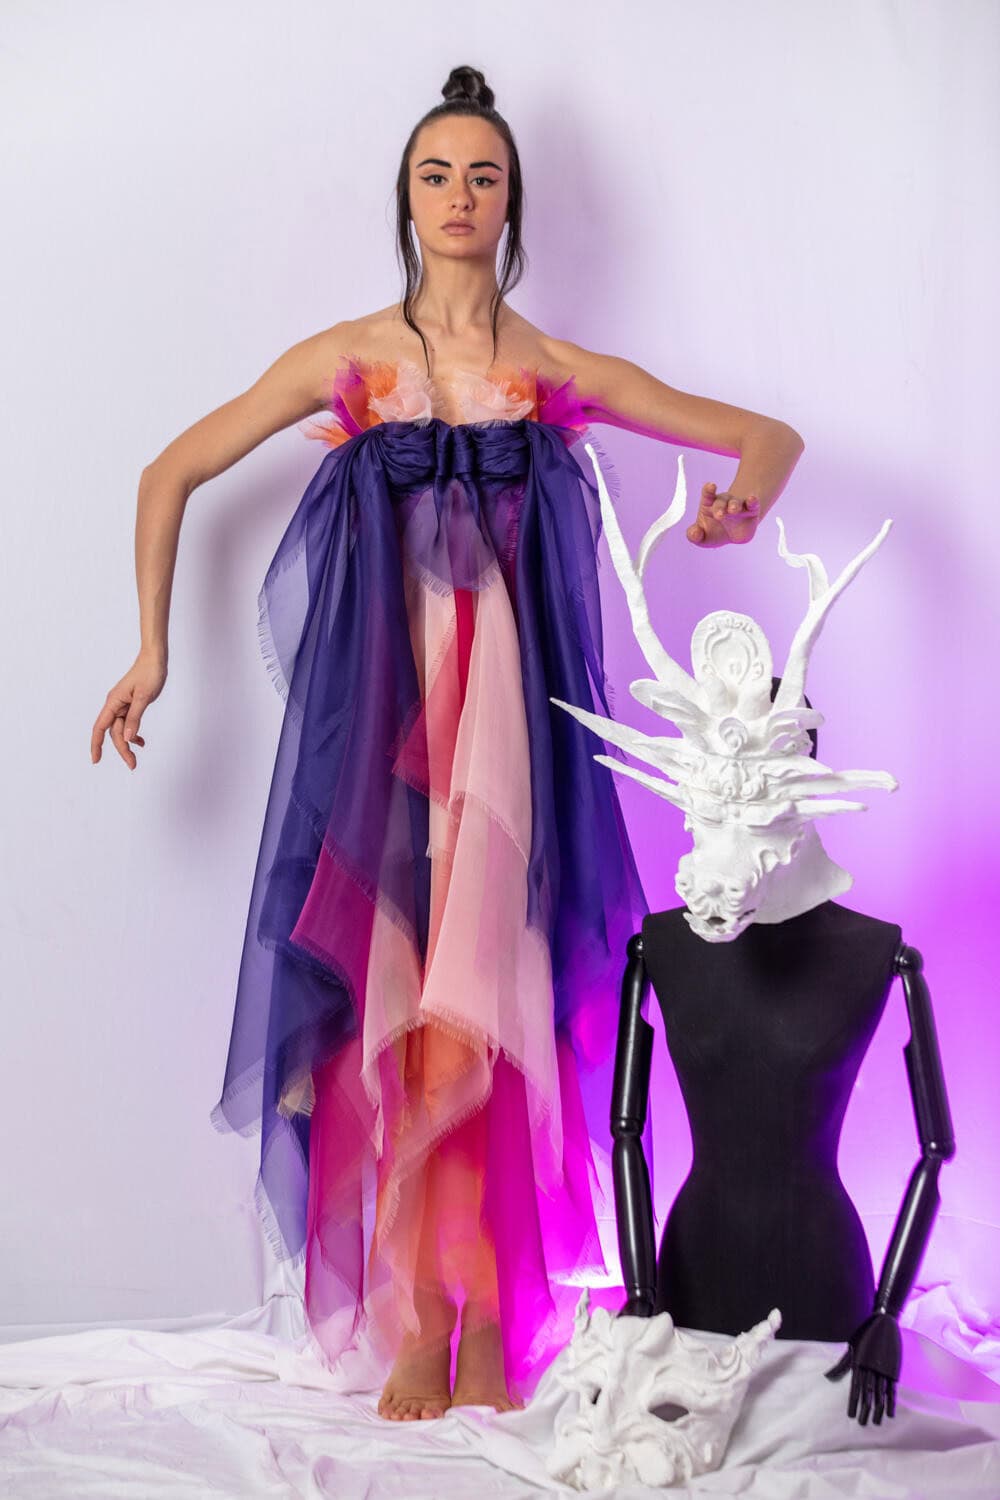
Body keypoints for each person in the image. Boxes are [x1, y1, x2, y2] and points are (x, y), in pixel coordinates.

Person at [89, 64, 805, 1421]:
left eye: (485, 175)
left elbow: (765, 436)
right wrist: (151, 650)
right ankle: (425, 1317)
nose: (461, 195)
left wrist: (742, 505)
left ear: (511, 202)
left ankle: (491, 1314)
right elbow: (167, 471)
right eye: (437, 174)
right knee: (400, 989)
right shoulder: (350, 356)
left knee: (491, 984)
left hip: (507, 737)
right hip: (387, 728)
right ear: (406, 201)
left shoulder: (551, 369)